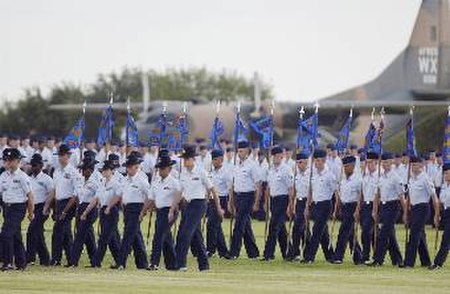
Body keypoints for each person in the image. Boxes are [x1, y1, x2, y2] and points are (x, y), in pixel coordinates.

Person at [170, 145, 224, 271]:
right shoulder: (183, 173)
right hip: (186, 205)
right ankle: (204, 265)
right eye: (183, 159)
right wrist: (172, 209)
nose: (184, 162)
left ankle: (180, 264)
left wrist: (218, 208)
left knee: (184, 234)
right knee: (196, 235)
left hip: (199, 204)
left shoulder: (201, 172)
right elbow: (179, 192)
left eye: (186, 159)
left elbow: (213, 190)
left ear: (193, 159)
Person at [143, 152, 180, 271]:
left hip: (170, 211)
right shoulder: (155, 182)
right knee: (166, 237)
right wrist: (143, 211)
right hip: (159, 212)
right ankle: (172, 264)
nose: (160, 171)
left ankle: (154, 262)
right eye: (159, 169)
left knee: (158, 236)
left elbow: (180, 196)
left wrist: (174, 209)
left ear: (169, 169)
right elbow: (150, 198)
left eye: (162, 168)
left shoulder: (174, 182)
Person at [81, 160, 122, 268]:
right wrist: (86, 212)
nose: (103, 172)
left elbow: (117, 197)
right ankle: (120, 262)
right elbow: (95, 199)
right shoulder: (102, 183)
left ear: (110, 171)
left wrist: (109, 207)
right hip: (103, 211)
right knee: (111, 239)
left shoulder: (115, 183)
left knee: (104, 238)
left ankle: (96, 262)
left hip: (112, 211)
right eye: (102, 170)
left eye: (104, 170)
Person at [368, 152, 405, 267]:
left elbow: (401, 196)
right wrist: (374, 210)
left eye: (387, 162)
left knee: (383, 234)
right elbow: (377, 194)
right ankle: (397, 260)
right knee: (390, 234)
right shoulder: (381, 175)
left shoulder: (395, 177)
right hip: (383, 206)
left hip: (393, 206)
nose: (385, 164)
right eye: (383, 162)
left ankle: (378, 259)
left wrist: (405, 213)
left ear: (392, 162)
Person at [402, 156, 439, 268]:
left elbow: (434, 197)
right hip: (414, 208)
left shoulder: (425, 179)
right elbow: (408, 196)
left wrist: (437, 215)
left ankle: (409, 262)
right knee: (420, 234)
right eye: (411, 165)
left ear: (421, 166)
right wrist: (405, 212)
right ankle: (426, 261)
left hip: (423, 208)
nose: (412, 167)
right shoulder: (412, 178)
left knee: (414, 234)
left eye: (415, 165)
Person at [0, 148, 34, 271]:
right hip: (6, 208)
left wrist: (31, 213)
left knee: (6, 234)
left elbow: (30, 196)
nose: (7, 162)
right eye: (6, 160)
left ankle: (7, 262)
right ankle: (21, 263)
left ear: (18, 161)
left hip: (18, 208)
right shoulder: (3, 175)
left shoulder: (22, 177)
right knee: (15, 236)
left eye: (10, 160)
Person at [226, 141, 261, 260]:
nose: (239, 153)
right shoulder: (235, 165)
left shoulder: (252, 165)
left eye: (241, 151)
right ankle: (253, 253)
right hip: (237, 196)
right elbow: (232, 184)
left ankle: (233, 252)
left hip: (248, 196)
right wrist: (230, 201)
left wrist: (256, 202)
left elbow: (258, 185)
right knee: (245, 225)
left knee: (239, 224)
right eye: (238, 151)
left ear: (247, 151)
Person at [49, 144, 83, 266]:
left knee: (58, 231)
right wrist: (50, 207)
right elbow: (54, 191)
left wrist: (65, 210)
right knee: (66, 233)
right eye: (59, 155)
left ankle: (56, 258)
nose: (60, 157)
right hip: (58, 203)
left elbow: (76, 194)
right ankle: (71, 259)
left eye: (62, 155)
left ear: (68, 156)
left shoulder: (74, 172)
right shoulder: (56, 171)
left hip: (69, 203)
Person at [303, 149, 336, 264]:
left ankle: (309, 257)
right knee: (323, 232)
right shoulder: (313, 174)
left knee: (316, 230)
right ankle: (330, 255)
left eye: (318, 161)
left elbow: (334, 191)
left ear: (324, 160)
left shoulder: (329, 175)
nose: (316, 163)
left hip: (325, 204)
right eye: (315, 161)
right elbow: (310, 191)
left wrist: (337, 207)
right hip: (315, 205)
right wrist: (307, 207)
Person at [117, 153, 149, 270]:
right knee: (136, 237)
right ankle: (142, 263)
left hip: (137, 209)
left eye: (130, 167)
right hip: (127, 209)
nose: (128, 169)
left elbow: (149, 195)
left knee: (128, 235)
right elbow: (122, 195)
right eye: (127, 167)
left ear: (136, 167)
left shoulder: (142, 179)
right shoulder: (125, 180)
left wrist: (144, 211)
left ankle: (121, 262)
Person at [261, 147, 293, 261]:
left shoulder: (286, 169)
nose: (274, 158)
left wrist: (290, 204)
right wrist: (266, 202)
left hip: (283, 199)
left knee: (273, 226)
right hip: (273, 200)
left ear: (281, 156)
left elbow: (291, 188)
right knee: (280, 228)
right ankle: (289, 253)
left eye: (277, 156)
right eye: (273, 156)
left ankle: (268, 254)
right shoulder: (271, 169)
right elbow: (269, 187)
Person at [67, 157, 100, 267]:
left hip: (91, 209)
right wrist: (78, 208)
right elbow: (76, 195)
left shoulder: (95, 182)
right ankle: (95, 261)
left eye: (84, 169)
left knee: (80, 235)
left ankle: (73, 261)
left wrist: (86, 211)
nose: (82, 171)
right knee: (88, 236)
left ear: (90, 170)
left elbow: (98, 198)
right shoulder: (80, 180)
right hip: (81, 207)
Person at [332, 155, 362, 264]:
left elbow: (360, 196)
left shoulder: (358, 179)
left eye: (347, 166)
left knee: (343, 231)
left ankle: (338, 256)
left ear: (353, 166)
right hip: (344, 207)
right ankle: (358, 256)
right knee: (350, 234)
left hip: (353, 206)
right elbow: (340, 195)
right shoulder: (343, 179)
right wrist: (337, 207)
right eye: (344, 166)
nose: (345, 169)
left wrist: (357, 210)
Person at [26, 154, 54, 266]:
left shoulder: (47, 179)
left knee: (31, 231)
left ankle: (30, 257)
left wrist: (47, 207)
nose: (33, 167)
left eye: (35, 165)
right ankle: (45, 259)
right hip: (33, 207)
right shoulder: (29, 178)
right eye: (32, 165)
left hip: (42, 208)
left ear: (41, 166)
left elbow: (52, 194)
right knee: (38, 233)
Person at [354, 152, 378, 264]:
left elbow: (379, 194)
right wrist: (358, 208)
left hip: (375, 205)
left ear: (376, 162)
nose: (368, 165)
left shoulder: (379, 176)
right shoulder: (365, 176)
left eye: (370, 162)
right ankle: (372, 256)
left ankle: (366, 256)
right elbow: (361, 194)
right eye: (367, 162)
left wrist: (375, 209)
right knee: (368, 232)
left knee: (367, 232)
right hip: (365, 205)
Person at [206, 149, 231, 258]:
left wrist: (230, 203)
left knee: (211, 224)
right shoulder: (211, 173)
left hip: (221, 199)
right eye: (213, 159)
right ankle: (223, 251)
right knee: (216, 226)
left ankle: (210, 250)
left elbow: (230, 189)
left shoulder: (226, 173)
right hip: (211, 200)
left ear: (221, 159)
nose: (214, 162)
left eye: (216, 159)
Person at [287, 152, 310, 261]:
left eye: (301, 162)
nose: (299, 165)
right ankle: (298, 253)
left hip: (308, 203)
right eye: (297, 163)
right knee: (301, 229)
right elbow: (294, 190)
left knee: (299, 228)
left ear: (306, 162)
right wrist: (291, 205)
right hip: (299, 203)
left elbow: (311, 192)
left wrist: (307, 206)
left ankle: (300, 253)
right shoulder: (297, 175)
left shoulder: (310, 175)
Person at [429, 163, 450, 270]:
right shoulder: (444, 186)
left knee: (446, 239)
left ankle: (438, 263)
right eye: (444, 174)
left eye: (448, 173)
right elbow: (440, 203)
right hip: (446, 213)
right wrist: (437, 216)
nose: (446, 176)